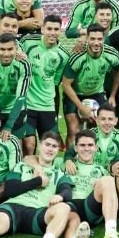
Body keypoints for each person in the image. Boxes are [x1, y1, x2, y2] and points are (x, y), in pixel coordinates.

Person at [58, 130, 119, 238]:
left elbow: (113, 198)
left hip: (90, 206)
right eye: (82, 145)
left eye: (90, 145)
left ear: (96, 148)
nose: (86, 149)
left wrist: (101, 183)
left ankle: (110, 234)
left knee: (108, 180)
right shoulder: (64, 163)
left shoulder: (101, 169)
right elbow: (30, 159)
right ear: (75, 148)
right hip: (69, 205)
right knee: (71, 220)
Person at [61, 25, 119, 140]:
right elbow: (66, 84)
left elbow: (118, 71)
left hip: (97, 93)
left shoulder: (112, 55)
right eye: (92, 39)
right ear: (87, 39)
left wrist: (113, 95)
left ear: (104, 39)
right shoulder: (77, 57)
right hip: (75, 94)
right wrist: (82, 108)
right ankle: (70, 158)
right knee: (74, 131)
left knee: (100, 129)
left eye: (99, 39)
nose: (96, 43)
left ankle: (96, 156)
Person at [19, 14, 68, 154]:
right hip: (27, 103)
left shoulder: (63, 55)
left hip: (47, 105)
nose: (52, 32)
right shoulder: (27, 42)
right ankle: (26, 172)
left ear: (60, 31)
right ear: (42, 29)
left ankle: (44, 173)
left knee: (49, 145)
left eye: (56, 29)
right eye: (49, 28)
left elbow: (55, 82)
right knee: (29, 144)